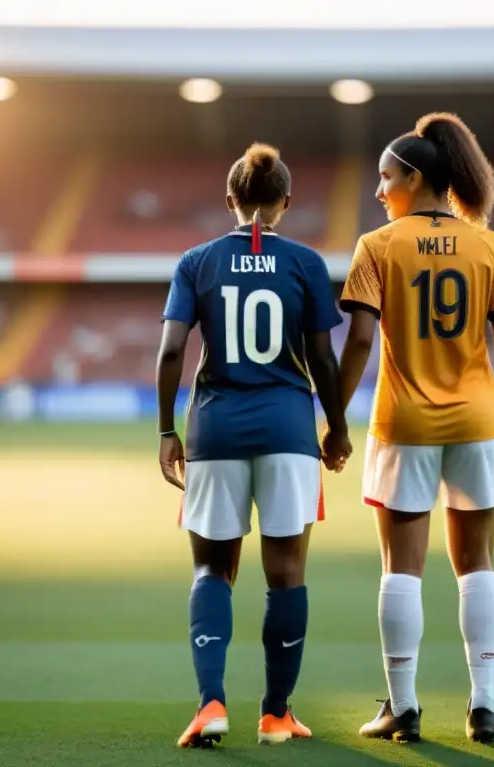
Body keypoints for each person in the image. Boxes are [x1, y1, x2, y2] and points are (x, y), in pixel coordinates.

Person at [335, 113, 494, 744]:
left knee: (401, 568)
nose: (378, 191)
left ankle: (404, 706)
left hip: (404, 423)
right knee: (478, 565)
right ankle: (485, 704)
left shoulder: (378, 245)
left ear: (414, 178)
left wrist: (334, 419)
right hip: (478, 422)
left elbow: (360, 339)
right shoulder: (489, 245)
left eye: (385, 178)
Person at [156, 143, 352, 748]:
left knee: (212, 568)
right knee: (286, 573)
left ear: (230, 200)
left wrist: (167, 430)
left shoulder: (197, 261)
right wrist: (338, 427)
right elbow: (322, 357)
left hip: (215, 430)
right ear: (286, 202)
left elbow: (170, 352)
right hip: (289, 431)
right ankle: (275, 713)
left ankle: (211, 703)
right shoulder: (306, 263)